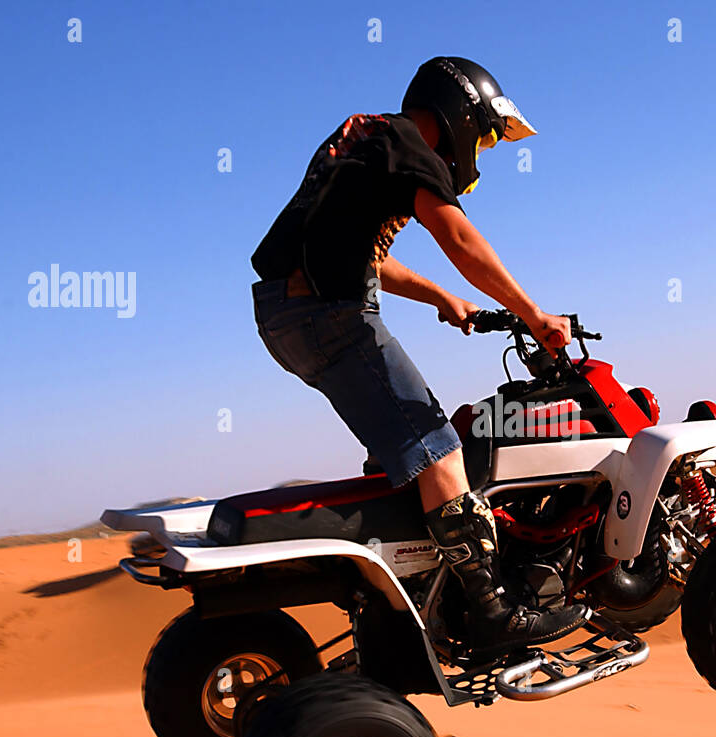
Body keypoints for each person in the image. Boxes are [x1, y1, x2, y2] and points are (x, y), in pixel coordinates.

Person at [249, 56, 588, 659]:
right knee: (439, 452)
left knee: (404, 456)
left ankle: (418, 585)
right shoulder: (408, 139)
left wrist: (442, 298)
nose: (478, 151)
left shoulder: (365, 140)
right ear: (457, 113)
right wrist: (535, 315)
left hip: (286, 315)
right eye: (483, 134)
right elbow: (457, 236)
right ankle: (492, 611)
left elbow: (364, 253)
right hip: (329, 314)